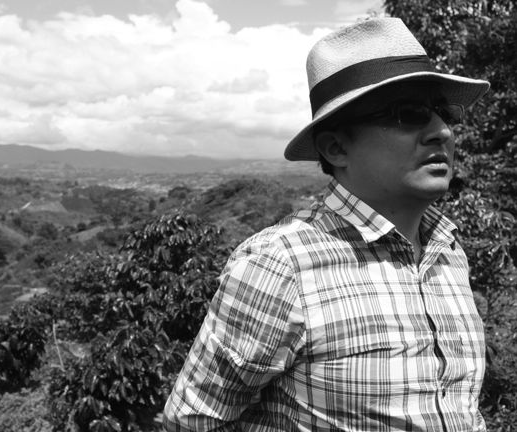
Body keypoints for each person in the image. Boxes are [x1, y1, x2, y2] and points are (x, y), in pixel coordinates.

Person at [163, 17, 490, 431]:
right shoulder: (282, 264)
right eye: (410, 114)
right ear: (336, 147)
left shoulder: (448, 252)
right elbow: (193, 421)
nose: (441, 131)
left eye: (444, 112)